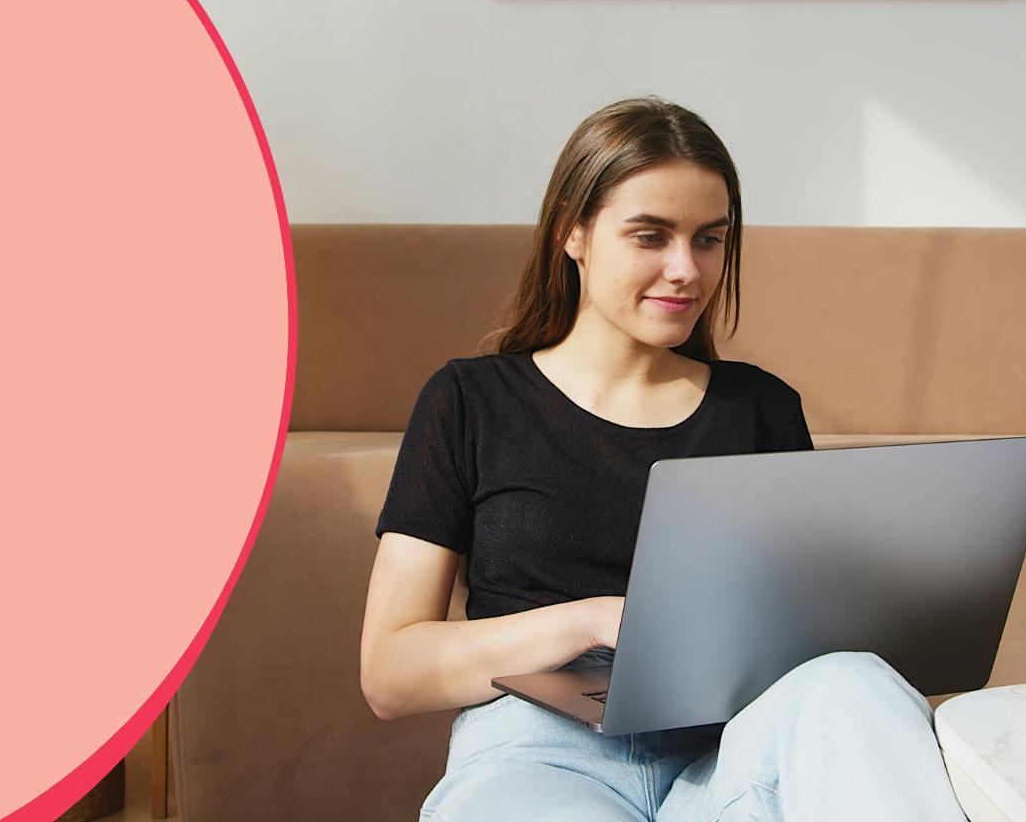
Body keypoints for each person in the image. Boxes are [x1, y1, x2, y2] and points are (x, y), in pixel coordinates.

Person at [359, 98, 969, 821]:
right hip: (537, 754)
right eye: (650, 235)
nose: (685, 269)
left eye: (708, 239)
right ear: (573, 232)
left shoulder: (760, 407)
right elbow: (389, 673)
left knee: (852, 681)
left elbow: (801, 647)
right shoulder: (470, 398)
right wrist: (594, 621)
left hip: (726, 760)